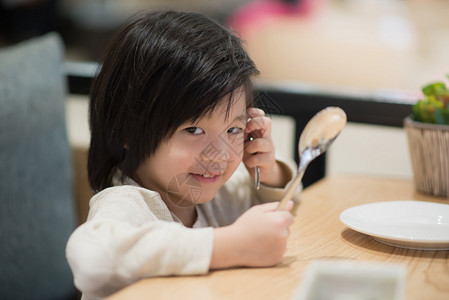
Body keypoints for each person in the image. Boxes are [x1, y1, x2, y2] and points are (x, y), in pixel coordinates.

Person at [66, 10, 301, 300]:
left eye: (233, 129)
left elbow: (289, 200)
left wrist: (265, 170)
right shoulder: (127, 204)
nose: (220, 155)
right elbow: (92, 257)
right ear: (127, 129)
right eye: (193, 130)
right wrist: (227, 245)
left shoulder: (219, 194)